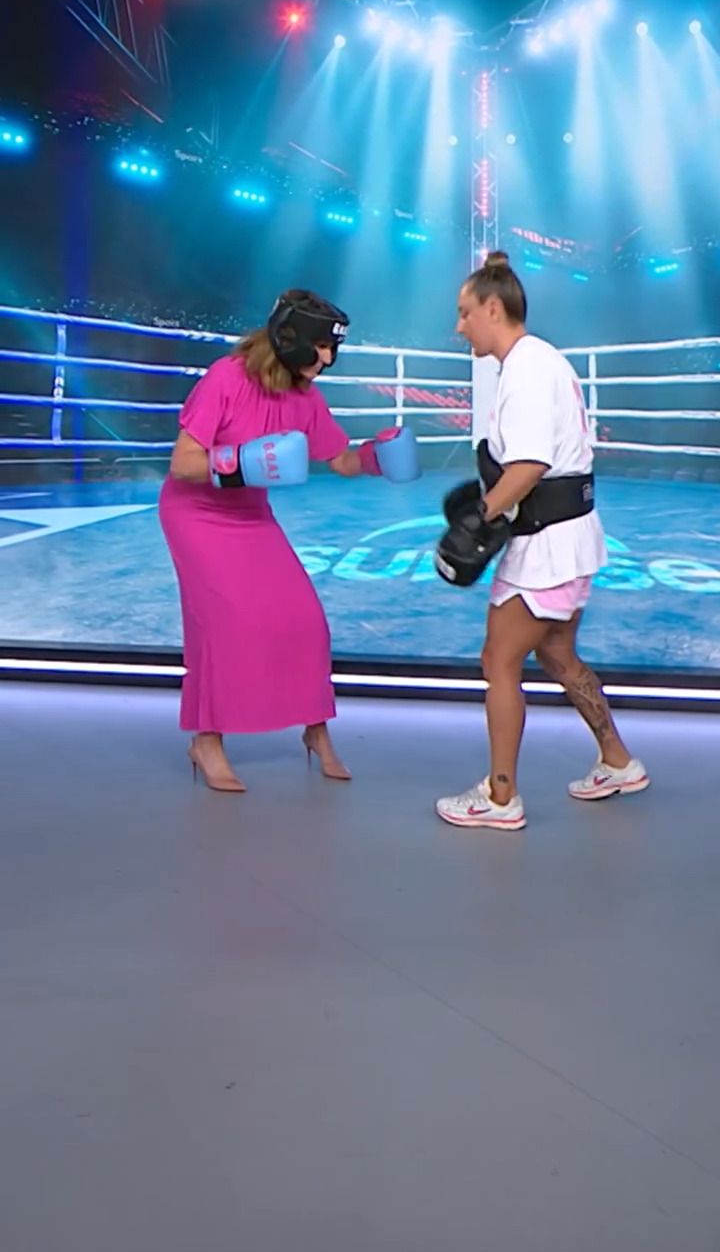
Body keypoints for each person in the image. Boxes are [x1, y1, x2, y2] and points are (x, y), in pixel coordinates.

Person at [159, 289, 419, 791]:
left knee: (305, 620)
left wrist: (376, 456)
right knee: (222, 625)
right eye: (320, 346)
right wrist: (242, 462)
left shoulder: (306, 398)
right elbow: (183, 464)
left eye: (332, 348)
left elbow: (340, 460)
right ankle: (206, 740)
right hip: (195, 514)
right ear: (291, 338)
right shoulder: (226, 378)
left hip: (250, 515)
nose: (327, 359)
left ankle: (315, 732)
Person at [435, 252, 649, 830]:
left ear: (493, 308)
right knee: (556, 653)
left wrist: (478, 519)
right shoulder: (540, 359)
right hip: (570, 541)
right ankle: (618, 760)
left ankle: (501, 797)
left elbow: (529, 465)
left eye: (465, 313)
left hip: (548, 548)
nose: (459, 326)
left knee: (498, 659)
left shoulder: (526, 368)